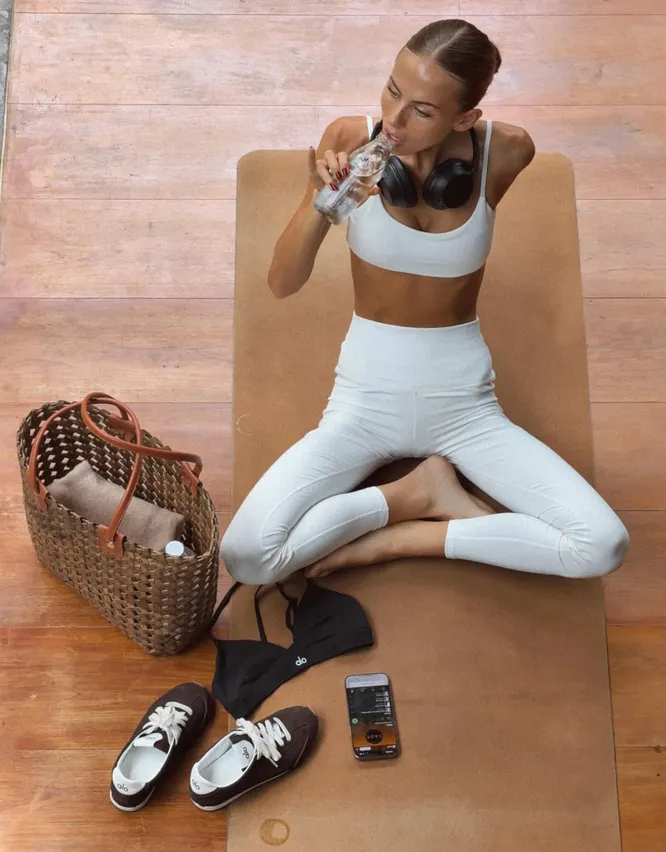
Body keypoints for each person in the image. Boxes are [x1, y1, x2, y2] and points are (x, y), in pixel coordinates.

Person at [221, 19, 630, 585]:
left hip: (466, 407)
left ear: (464, 119)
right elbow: (283, 283)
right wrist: (320, 198)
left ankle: (410, 535)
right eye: (392, 91)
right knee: (247, 556)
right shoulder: (349, 138)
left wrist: (397, 541)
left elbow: (604, 548)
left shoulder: (506, 151)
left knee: (602, 545)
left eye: (422, 110)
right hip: (362, 404)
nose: (393, 120)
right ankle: (408, 496)